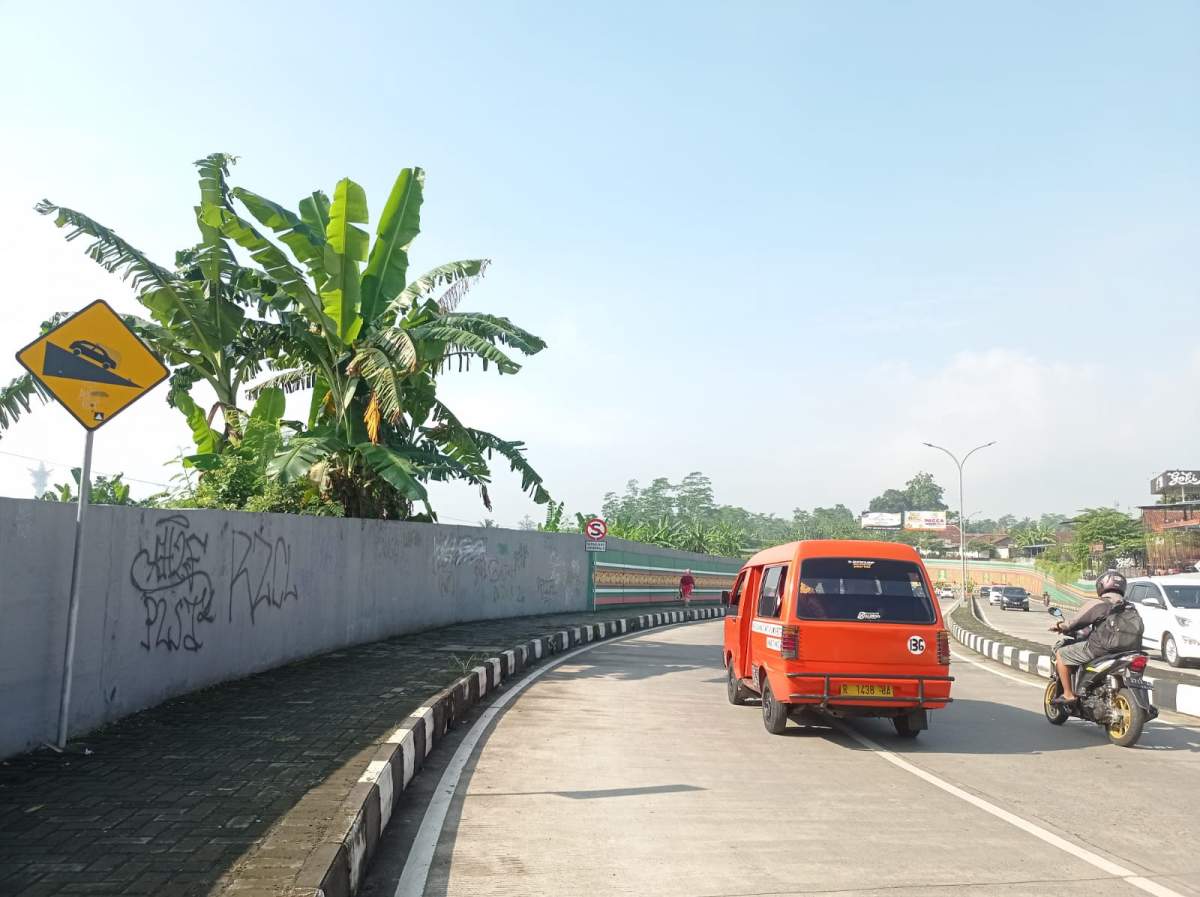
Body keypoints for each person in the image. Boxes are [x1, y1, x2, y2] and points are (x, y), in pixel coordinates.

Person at [1049, 570, 1127, 705]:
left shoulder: (1100, 603)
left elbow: (1075, 622)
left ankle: (1068, 695)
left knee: (1061, 654)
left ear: (1101, 586)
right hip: (1128, 649)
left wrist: (1060, 626)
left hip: (1101, 648)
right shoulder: (1130, 606)